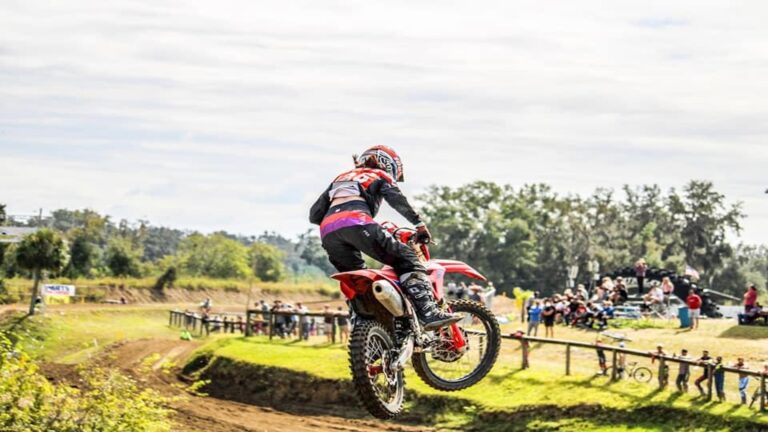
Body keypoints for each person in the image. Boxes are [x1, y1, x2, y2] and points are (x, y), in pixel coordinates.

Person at [309, 145, 459, 330]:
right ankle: (428, 313)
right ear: (389, 165)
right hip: (357, 222)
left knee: (360, 281)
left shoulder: (341, 178)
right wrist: (419, 225)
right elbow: (396, 199)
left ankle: (365, 325)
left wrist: (339, 224)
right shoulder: (380, 175)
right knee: (406, 258)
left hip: (328, 232)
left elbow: (314, 215)